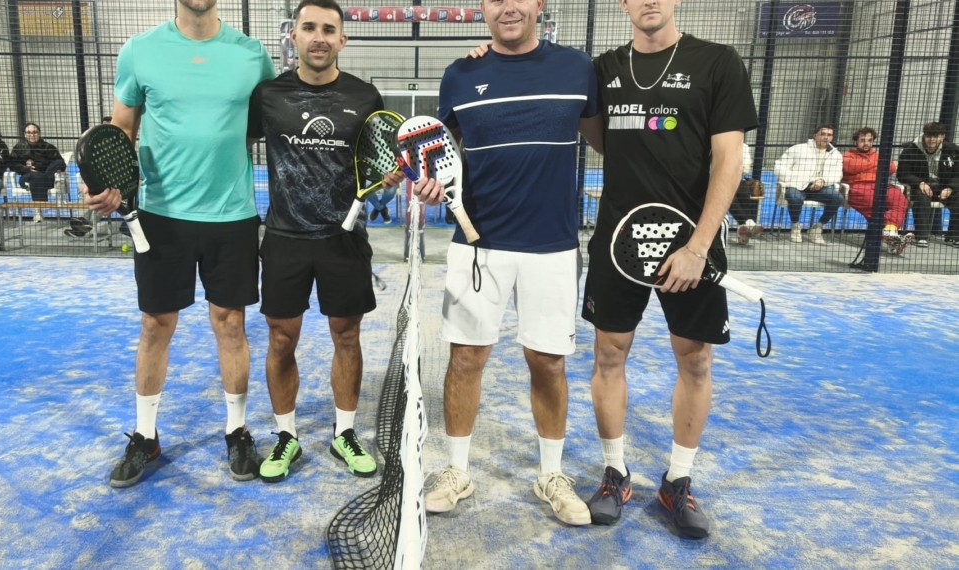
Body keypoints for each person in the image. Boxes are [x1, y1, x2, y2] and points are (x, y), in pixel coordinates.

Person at [415, 0, 602, 527]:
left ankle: (551, 475)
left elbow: (609, 143)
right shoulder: (461, 73)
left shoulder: (578, 68)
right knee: (466, 360)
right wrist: (431, 185)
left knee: (548, 362)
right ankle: (456, 471)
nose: (509, 7)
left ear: (540, 4)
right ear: (482, 8)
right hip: (478, 246)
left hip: (554, 248)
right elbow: (437, 155)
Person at [577, 0, 757, 539]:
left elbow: (730, 159)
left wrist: (698, 247)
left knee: (695, 359)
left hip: (692, 244)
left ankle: (678, 480)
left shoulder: (718, 62)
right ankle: (615, 474)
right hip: (618, 240)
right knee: (609, 353)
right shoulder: (603, 70)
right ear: (624, 5)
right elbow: (597, 134)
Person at [84, 0, 276, 488]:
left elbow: (263, 124)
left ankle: (236, 429)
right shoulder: (140, 51)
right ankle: (145, 435)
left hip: (231, 214)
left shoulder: (252, 55)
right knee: (155, 325)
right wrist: (105, 185)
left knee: (230, 324)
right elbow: (120, 131)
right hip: (160, 215)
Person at [246, 0, 405, 483]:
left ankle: (345, 432)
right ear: (292, 35)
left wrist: (389, 177)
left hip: (344, 240)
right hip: (284, 237)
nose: (318, 37)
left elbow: (380, 163)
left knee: (347, 336)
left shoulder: (365, 96)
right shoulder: (268, 95)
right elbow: (229, 142)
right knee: (281, 338)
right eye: (309, 28)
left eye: (328, 30)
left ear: (342, 39)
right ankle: (285, 435)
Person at [842, 127, 914, 253]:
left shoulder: (878, 155)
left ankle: (890, 232)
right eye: (863, 140)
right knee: (875, 205)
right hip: (860, 187)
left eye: (870, 140)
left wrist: (869, 164)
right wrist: (877, 162)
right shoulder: (848, 156)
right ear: (855, 142)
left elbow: (891, 168)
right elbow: (851, 167)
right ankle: (890, 236)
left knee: (900, 200)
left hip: (881, 186)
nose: (866, 143)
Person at [774, 125, 844, 245]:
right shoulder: (798, 149)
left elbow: (837, 174)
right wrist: (795, 179)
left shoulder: (836, 154)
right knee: (794, 197)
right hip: (797, 185)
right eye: (823, 134)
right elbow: (779, 167)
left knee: (837, 198)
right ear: (815, 136)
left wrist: (823, 181)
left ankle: (817, 228)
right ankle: (796, 226)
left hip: (820, 188)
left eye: (829, 135)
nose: (826, 137)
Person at [897, 122, 959, 248]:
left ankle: (954, 236)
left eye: (935, 136)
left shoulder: (953, 150)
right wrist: (919, 182)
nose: (931, 140)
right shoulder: (909, 150)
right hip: (920, 186)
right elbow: (902, 174)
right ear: (924, 135)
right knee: (921, 197)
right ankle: (921, 236)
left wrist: (950, 188)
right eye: (928, 136)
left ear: (942, 136)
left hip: (943, 186)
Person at [9, 122, 66, 223]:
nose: (32, 135)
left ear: (39, 133)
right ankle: (38, 211)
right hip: (27, 177)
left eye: (35, 132)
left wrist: (44, 168)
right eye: (29, 132)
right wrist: (27, 169)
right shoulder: (18, 147)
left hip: (46, 175)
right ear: (25, 134)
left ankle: (43, 178)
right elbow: (12, 164)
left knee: (58, 163)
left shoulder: (48, 147)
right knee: (36, 176)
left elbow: (60, 163)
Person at [729, 142, 763, 245]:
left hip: (736, 178)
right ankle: (748, 224)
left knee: (745, 193)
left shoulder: (744, 147)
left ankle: (744, 228)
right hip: (715, 179)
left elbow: (746, 167)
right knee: (729, 197)